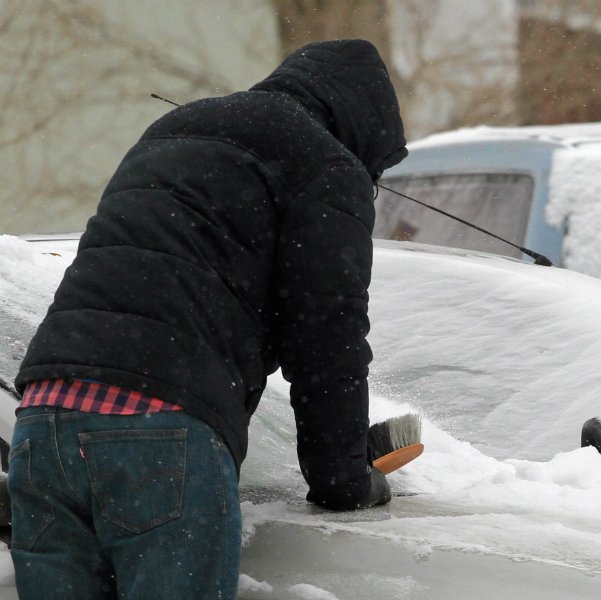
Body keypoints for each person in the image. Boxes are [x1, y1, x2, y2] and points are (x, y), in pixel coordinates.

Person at [9, 39, 408, 599]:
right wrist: (344, 481)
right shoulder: (327, 163)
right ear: (365, 127)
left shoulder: (173, 128)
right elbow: (327, 335)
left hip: (43, 420)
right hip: (156, 431)